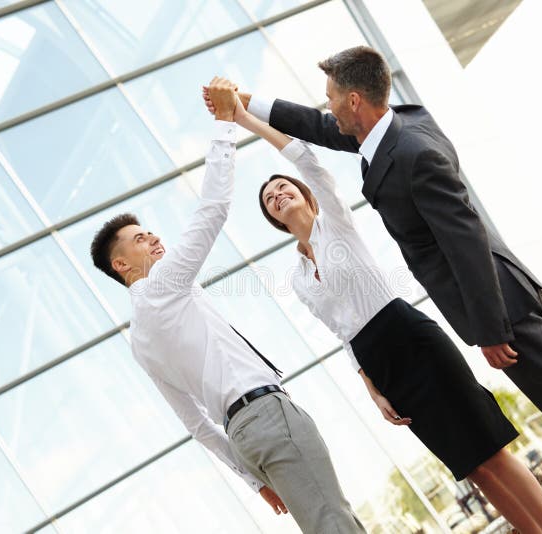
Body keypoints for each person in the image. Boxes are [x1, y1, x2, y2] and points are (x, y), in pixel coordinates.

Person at [206, 47, 542, 533]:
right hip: (502, 296)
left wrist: (491, 329)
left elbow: (466, 238)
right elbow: (319, 129)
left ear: (352, 101)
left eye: (330, 99)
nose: (326, 109)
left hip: (502, 307)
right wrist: (245, 103)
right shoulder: (397, 128)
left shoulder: (412, 154)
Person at [222, 86, 542, 533]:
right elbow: (342, 333)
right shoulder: (298, 277)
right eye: (269, 199)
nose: (277, 195)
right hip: (380, 363)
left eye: (282, 187)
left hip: (409, 335)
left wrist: (245, 120)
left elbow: (306, 158)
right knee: (471, 467)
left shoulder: (335, 223)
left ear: (304, 195)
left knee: (491, 448)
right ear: (273, 219)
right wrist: (371, 388)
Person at [90, 78, 365, 533]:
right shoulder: (162, 286)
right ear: (122, 265)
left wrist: (253, 481)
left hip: (244, 437)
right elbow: (214, 207)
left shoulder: (139, 341)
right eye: (141, 239)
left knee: (327, 522)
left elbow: (196, 425)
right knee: (335, 522)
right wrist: (224, 123)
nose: (155, 238)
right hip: (266, 415)